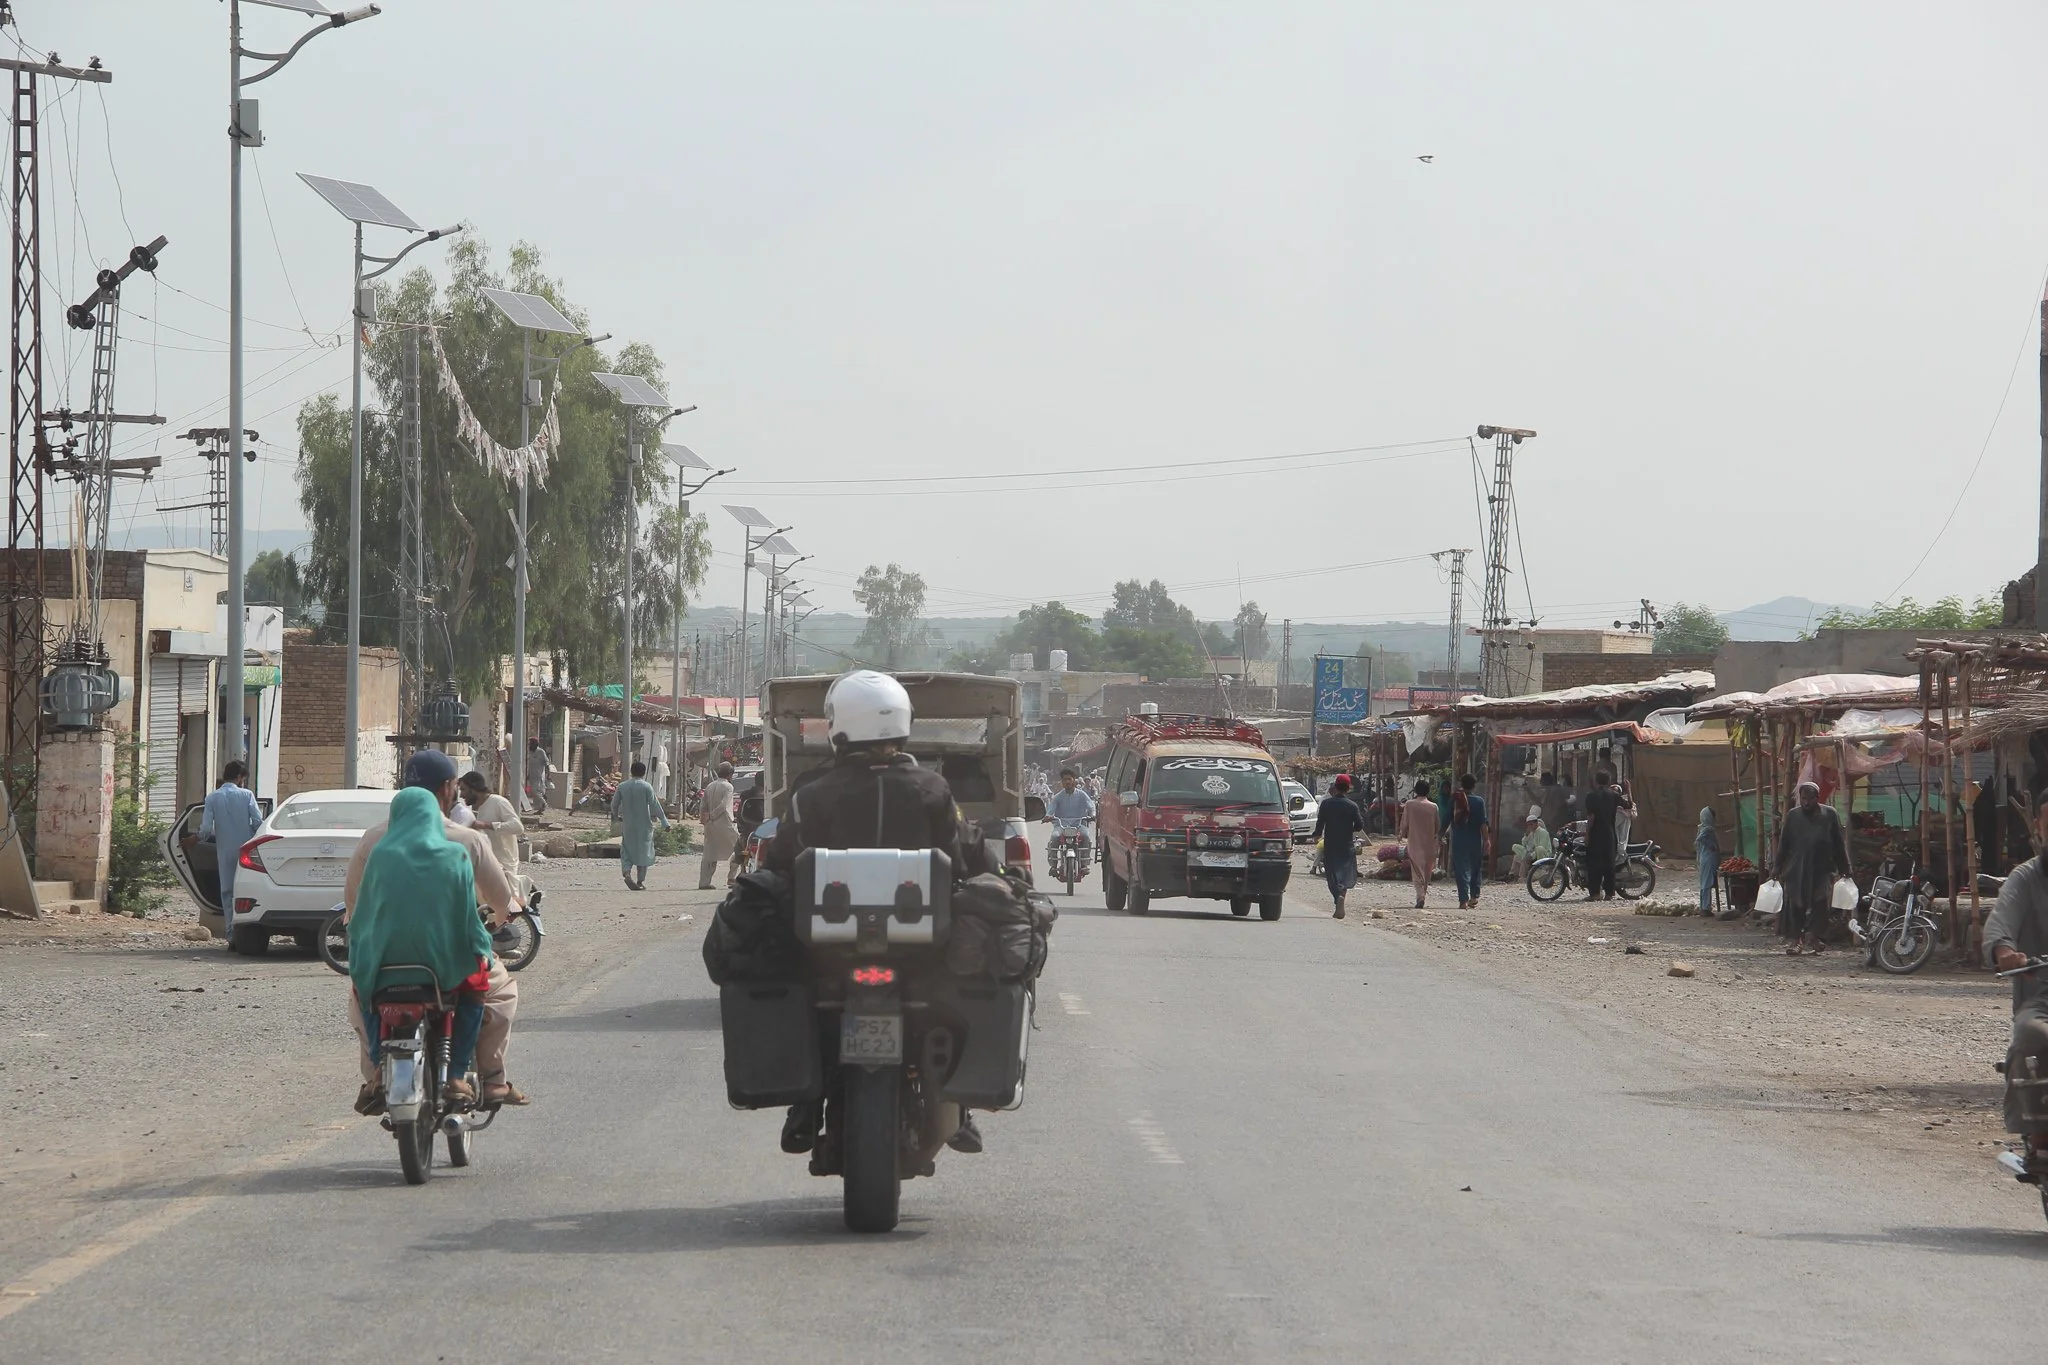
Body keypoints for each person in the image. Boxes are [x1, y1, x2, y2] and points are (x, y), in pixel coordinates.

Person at [764, 669, 982, 1161]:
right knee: (955, 996)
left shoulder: (811, 794)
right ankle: (958, 1104)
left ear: (838, 724)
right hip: (923, 948)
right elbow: (962, 858)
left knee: (799, 998)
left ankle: (803, 1107)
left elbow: (780, 863)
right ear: (903, 722)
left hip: (829, 950)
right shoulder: (933, 789)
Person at [343, 749, 528, 1114]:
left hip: (383, 962)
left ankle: (377, 1073)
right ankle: (487, 1078)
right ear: (447, 789)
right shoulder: (463, 844)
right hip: (448, 961)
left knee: (361, 996)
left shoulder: (374, 844)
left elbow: (354, 908)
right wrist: (500, 916)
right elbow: (499, 901)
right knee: (496, 991)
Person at [1986, 799, 2048, 1169]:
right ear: (2039, 827)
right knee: (2034, 1034)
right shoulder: (2025, 878)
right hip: (2042, 994)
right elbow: (2001, 921)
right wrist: (2005, 951)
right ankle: (2041, 1140)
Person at [1776, 779, 1849, 955]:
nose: (1806, 802)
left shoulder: (1830, 814)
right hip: (1797, 867)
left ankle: (1814, 936)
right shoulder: (1793, 816)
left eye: (1810, 798)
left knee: (1821, 901)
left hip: (1822, 867)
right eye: (1803, 798)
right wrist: (1777, 868)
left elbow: (1839, 844)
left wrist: (1845, 868)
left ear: (1817, 797)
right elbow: (1783, 844)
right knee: (1796, 903)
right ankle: (1797, 940)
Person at [198, 760, 263, 940]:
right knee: (247, 891)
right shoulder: (247, 795)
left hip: (224, 852)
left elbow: (205, 830)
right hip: (247, 851)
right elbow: (258, 822)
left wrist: (196, 838)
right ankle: (248, 932)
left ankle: (231, 935)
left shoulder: (212, 798)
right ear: (240, 777)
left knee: (227, 893)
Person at [1310, 774, 1366, 918]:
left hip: (1330, 844)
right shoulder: (1352, 806)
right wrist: (1350, 829)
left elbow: (1320, 823)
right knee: (1345, 873)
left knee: (1332, 873)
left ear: (1335, 787)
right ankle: (1342, 894)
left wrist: (1316, 836)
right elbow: (1360, 825)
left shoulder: (1326, 804)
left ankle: (1337, 897)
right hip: (1346, 845)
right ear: (1348, 788)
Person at [610, 759, 670, 891]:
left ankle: (626, 872)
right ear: (643, 773)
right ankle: (640, 881)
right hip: (644, 826)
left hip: (628, 825)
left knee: (626, 850)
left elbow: (614, 804)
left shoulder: (622, 786)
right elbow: (655, 805)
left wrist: (615, 817)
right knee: (644, 852)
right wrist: (664, 822)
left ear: (631, 772)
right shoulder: (647, 787)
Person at [459, 770, 523, 885]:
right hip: (489, 864)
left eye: (463, 789)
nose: (461, 795)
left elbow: (518, 827)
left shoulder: (498, 802)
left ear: (473, 789)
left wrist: (487, 825)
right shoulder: (480, 807)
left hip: (504, 866)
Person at [1582, 768, 1630, 901]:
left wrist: (1587, 834)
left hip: (1596, 833)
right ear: (1608, 781)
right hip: (1609, 834)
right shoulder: (1613, 795)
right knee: (1609, 864)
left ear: (1596, 781)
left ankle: (1595, 893)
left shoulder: (1591, 796)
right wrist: (1629, 790)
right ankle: (1609, 893)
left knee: (1594, 864)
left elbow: (1591, 817)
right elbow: (1629, 805)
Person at [1445, 773, 1491, 909]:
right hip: (1475, 839)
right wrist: (1486, 840)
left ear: (1462, 784)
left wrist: (1440, 834)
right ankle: (1474, 896)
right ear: (1474, 786)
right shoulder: (1479, 801)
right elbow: (1483, 823)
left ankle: (1463, 901)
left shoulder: (1455, 799)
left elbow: (1446, 818)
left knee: (1461, 869)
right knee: (1475, 867)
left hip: (1459, 839)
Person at [698, 761, 740, 889]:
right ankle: (732, 877)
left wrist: (705, 818)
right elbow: (723, 806)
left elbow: (703, 805)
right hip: (724, 823)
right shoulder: (728, 787)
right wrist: (712, 815)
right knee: (741, 848)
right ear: (729, 775)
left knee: (709, 853)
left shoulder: (710, 786)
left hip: (710, 824)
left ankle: (704, 882)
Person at [1401, 779, 1439, 909]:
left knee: (1416, 870)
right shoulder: (1434, 807)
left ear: (1416, 790)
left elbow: (1405, 823)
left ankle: (1420, 896)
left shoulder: (1409, 804)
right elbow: (1437, 826)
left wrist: (1401, 834)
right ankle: (1423, 894)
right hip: (1429, 844)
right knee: (1427, 870)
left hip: (1415, 842)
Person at [1510, 806, 1551, 885]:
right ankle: (1513, 875)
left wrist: (1531, 855)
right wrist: (1526, 835)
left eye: (1531, 824)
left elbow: (1542, 848)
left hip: (1542, 855)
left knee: (1535, 851)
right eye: (1528, 825)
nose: (1530, 826)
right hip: (1532, 852)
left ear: (1536, 823)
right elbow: (1524, 843)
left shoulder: (1543, 832)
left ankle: (1522, 877)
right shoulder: (1532, 832)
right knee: (1516, 851)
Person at [1695, 805, 1721, 917]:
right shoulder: (1708, 829)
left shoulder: (1702, 827)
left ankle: (1704, 907)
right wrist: (1711, 846)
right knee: (1707, 883)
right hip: (1709, 859)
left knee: (1704, 882)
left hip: (1705, 858)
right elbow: (1699, 839)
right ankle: (1705, 908)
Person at [524, 736, 550, 814]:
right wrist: (528, 775)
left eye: (530, 744)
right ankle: (539, 809)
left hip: (539, 776)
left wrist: (549, 774)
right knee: (533, 792)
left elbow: (547, 763)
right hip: (532, 775)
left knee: (535, 791)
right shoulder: (531, 752)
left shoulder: (541, 752)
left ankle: (544, 804)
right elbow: (530, 764)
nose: (529, 745)